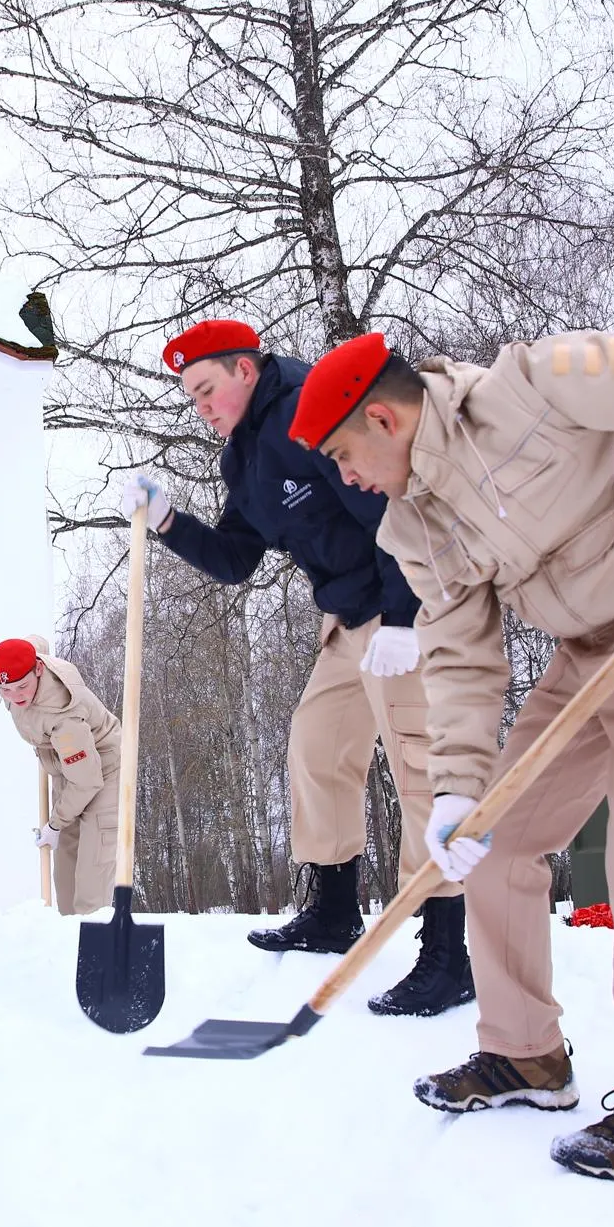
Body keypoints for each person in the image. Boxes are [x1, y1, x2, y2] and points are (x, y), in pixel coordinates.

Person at [289, 315, 614, 1180]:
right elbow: (465, 660)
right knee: (498, 838)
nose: (347, 477)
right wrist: (457, 791)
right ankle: (524, 1053)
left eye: (341, 454)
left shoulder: (537, 386)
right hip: (586, 656)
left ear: (384, 420)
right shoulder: (411, 530)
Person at [117, 318, 472, 1018]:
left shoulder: (312, 406)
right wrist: (167, 523)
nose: (203, 406)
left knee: (420, 769)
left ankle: (449, 951)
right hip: (345, 619)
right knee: (316, 747)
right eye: (192, 398)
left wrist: (402, 620)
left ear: (246, 369)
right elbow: (235, 559)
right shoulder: (242, 459)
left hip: (400, 605)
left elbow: (393, 513)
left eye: (208, 388)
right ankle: (336, 911)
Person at [0, 636, 120, 915]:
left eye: (21, 687)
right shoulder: (24, 666)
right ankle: (68, 943)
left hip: (103, 769)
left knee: (91, 883)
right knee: (65, 879)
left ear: (38, 669)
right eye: (5, 690)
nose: (15, 697)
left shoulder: (62, 713)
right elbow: (37, 643)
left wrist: (55, 825)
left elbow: (87, 780)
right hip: (64, 766)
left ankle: (94, 945)